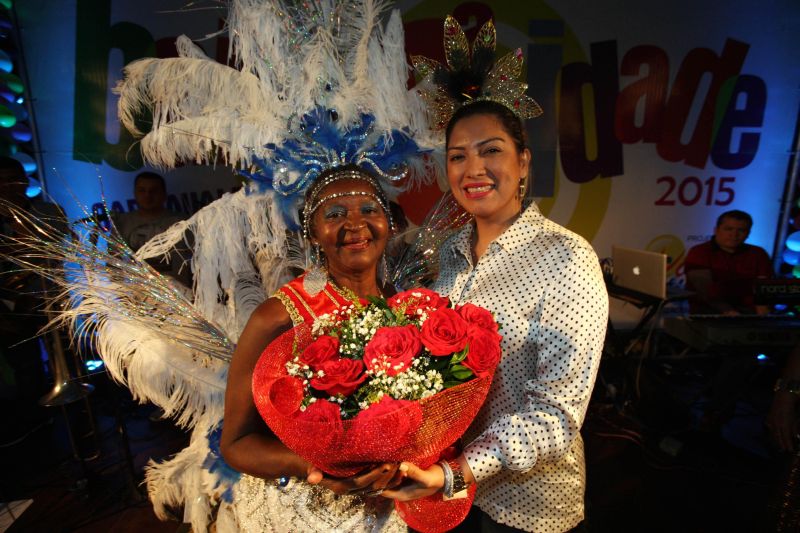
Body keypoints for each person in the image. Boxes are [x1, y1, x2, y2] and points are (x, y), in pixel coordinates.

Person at [383, 97, 608, 530]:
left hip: (523, 504)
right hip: (441, 496)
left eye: (491, 150)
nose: (474, 169)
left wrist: (457, 472)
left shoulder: (566, 257)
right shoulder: (447, 254)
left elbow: (558, 414)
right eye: (457, 156)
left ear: (523, 162)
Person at [220, 165, 406, 532]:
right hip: (301, 514)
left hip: (388, 509)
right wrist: (315, 466)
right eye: (335, 214)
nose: (355, 224)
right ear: (313, 234)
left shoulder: (400, 308)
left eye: (369, 209)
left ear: (389, 222)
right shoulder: (276, 318)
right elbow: (236, 444)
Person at [684, 210, 773, 315]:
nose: (734, 234)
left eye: (741, 230)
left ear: (748, 233)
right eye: (728, 229)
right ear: (716, 230)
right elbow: (704, 290)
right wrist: (729, 311)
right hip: (710, 312)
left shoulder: (758, 253)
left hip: (750, 313)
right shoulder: (699, 252)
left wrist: (763, 311)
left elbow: (765, 286)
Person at [111, 171, 191, 288]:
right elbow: (113, 263)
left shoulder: (182, 223)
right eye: (142, 190)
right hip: (135, 294)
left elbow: (198, 261)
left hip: (177, 295)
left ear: (164, 194)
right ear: (135, 193)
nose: (147, 195)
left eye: (154, 191)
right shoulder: (121, 224)